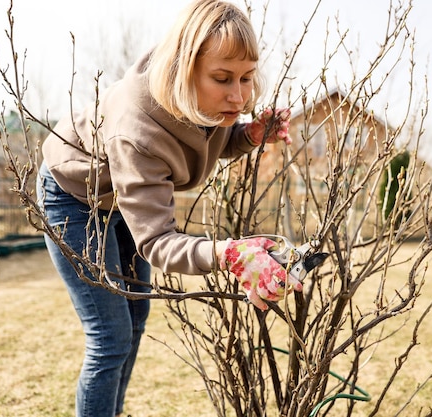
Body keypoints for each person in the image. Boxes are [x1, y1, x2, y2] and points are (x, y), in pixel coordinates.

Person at [36, 1, 303, 416]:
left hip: (122, 197)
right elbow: (157, 240)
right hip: (74, 197)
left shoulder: (201, 100)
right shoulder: (136, 128)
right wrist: (225, 253)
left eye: (247, 78)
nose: (239, 94)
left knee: (136, 316)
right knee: (110, 336)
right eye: (222, 78)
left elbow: (201, 143)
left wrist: (247, 135)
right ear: (185, 71)